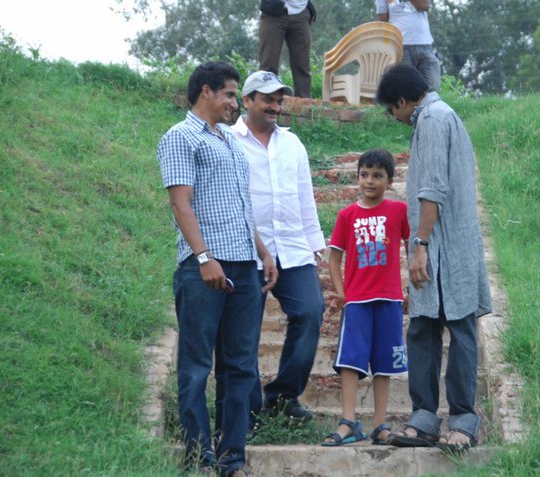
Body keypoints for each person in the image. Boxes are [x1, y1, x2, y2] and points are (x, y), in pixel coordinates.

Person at [156, 61, 277, 477]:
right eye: (228, 94)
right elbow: (180, 203)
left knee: (240, 366)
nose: (234, 102)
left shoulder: (230, 142)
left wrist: (263, 253)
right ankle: (199, 458)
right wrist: (204, 258)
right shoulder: (180, 137)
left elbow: (240, 209)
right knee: (196, 366)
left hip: (244, 267)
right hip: (203, 270)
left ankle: (232, 459)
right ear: (206, 91)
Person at [376, 63, 492, 451]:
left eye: (392, 109)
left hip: (445, 245)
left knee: (459, 329)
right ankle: (424, 420)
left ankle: (463, 422)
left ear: (402, 101)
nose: (395, 117)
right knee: (423, 329)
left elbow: (433, 189)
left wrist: (420, 244)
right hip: (440, 244)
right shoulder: (439, 116)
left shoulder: (432, 119)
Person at [222, 70, 325, 425]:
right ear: (247, 100)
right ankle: (248, 407)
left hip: (293, 248)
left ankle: (283, 395)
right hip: (245, 251)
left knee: (310, 311)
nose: (276, 106)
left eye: (279, 100)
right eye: (268, 99)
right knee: (244, 330)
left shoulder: (292, 144)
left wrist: (314, 243)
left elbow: (305, 196)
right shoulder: (228, 141)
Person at [321, 149, 410, 447]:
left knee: (384, 364)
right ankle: (348, 421)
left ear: (390, 180)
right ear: (357, 177)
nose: (369, 181)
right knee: (350, 361)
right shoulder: (347, 215)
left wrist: (410, 287)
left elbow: (411, 246)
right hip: (357, 301)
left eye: (377, 176)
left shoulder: (399, 211)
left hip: (390, 299)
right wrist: (341, 293)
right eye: (364, 175)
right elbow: (334, 258)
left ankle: (380, 424)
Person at [376, 0, 441, 92]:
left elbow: (424, 5)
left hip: (425, 44)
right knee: (405, 88)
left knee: (432, 87)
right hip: (401, 46)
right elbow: (384, 20)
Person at [258, 0, 316, 98]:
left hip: (300, 11)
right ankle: (267, 100)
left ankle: (304, 103)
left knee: (302, 65)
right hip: (272, 13)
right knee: (268, 64)